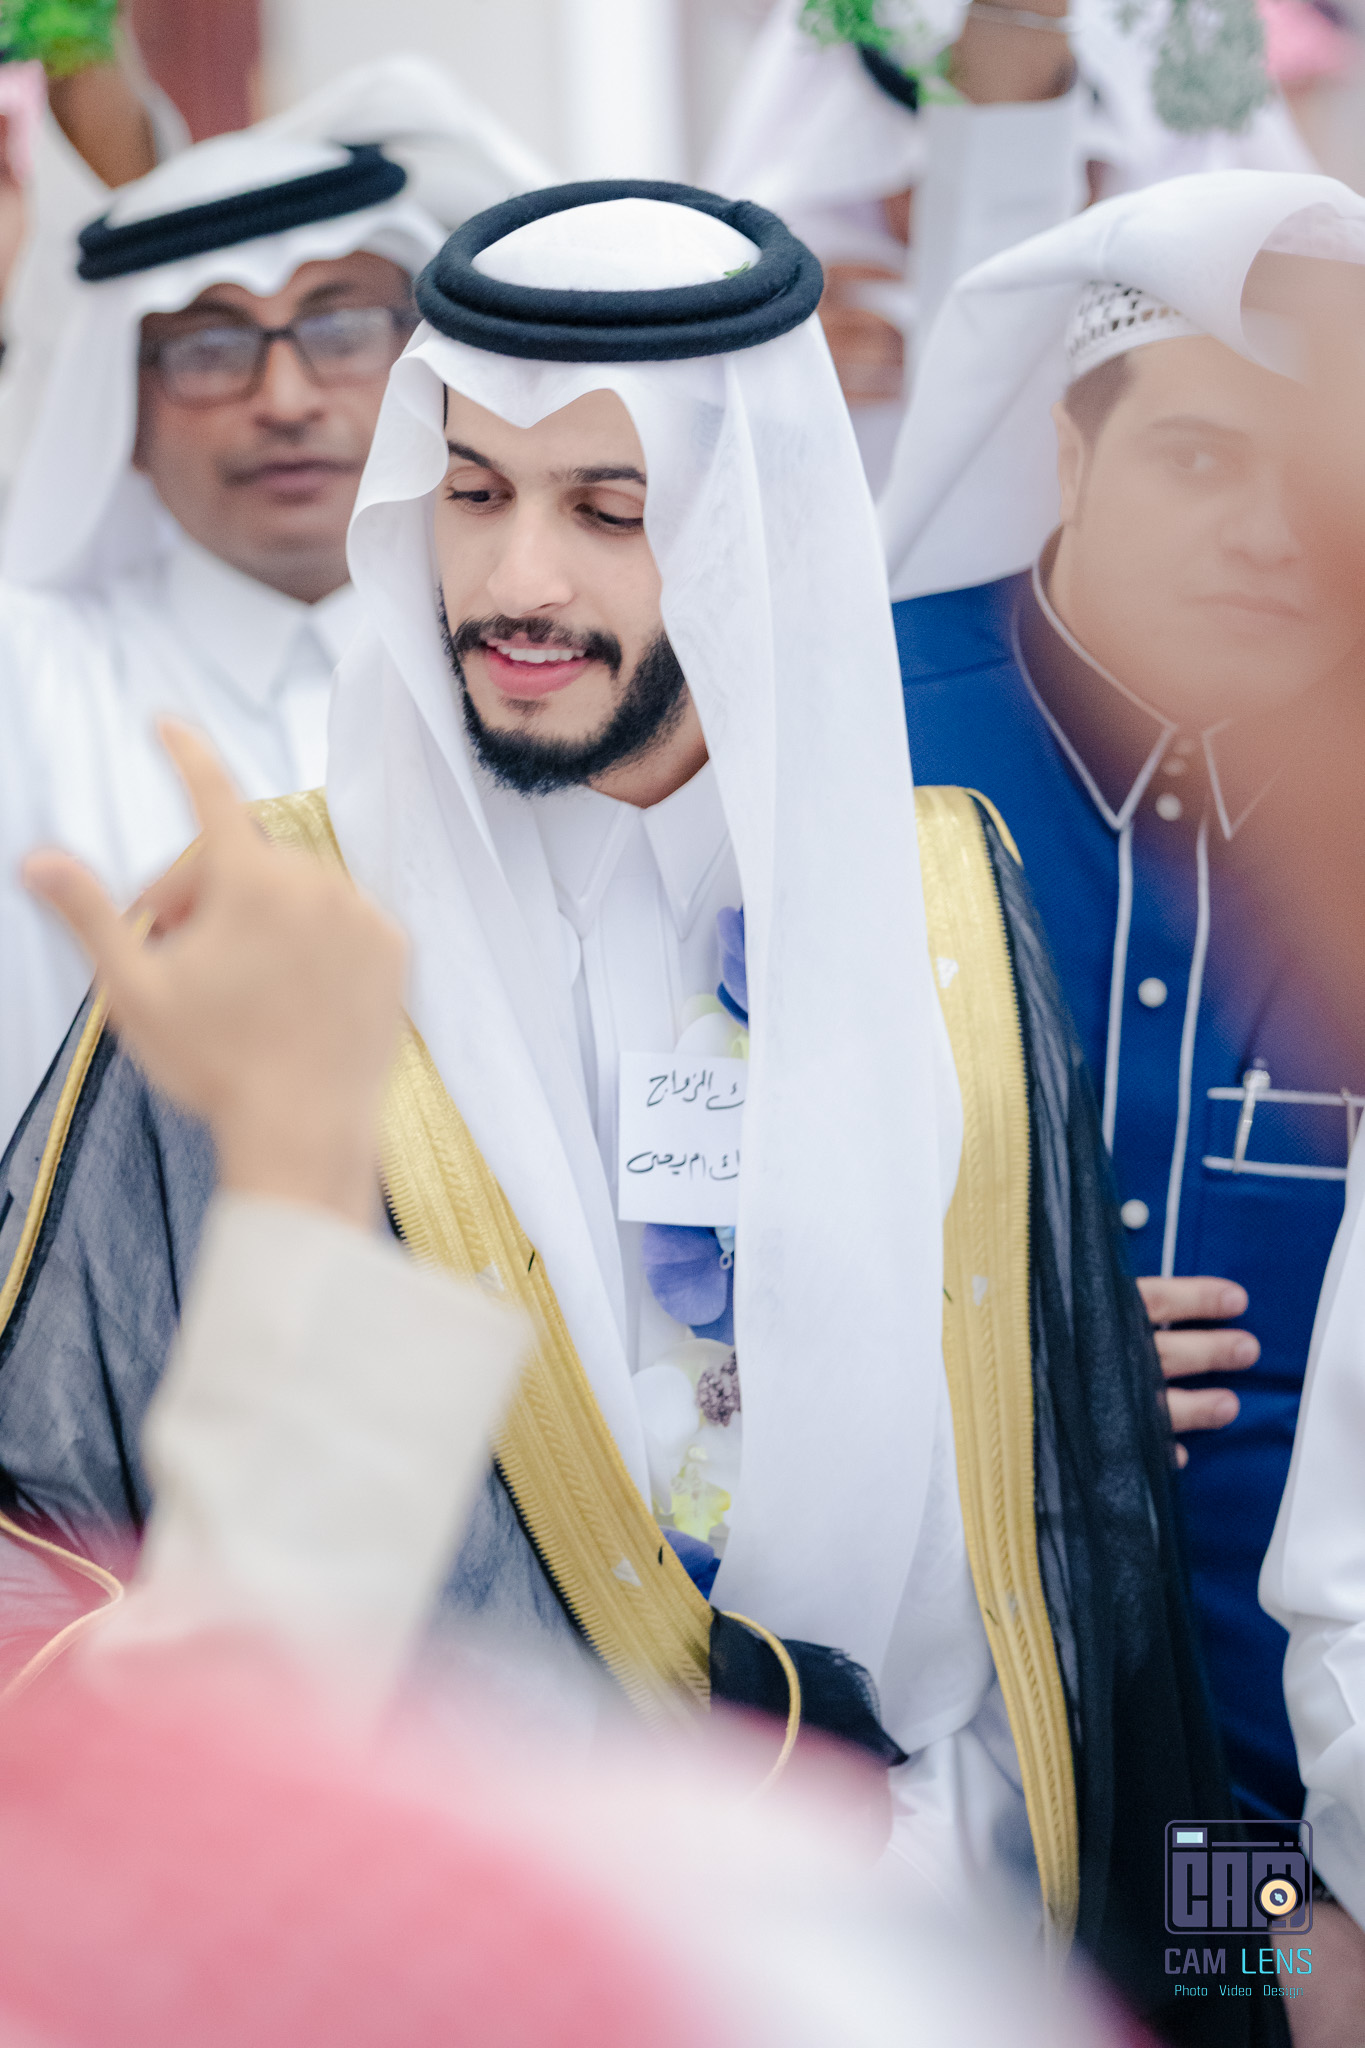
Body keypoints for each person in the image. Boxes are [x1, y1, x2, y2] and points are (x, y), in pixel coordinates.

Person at [0, 180, 1268, 2043]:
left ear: (752, 531)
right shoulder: (280, 928)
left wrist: (1250, 1950)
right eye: (474, 493)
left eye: (612, 511)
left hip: (948, 1943)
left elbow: (1094, 1561)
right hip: (465, 1970)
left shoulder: (944, 901)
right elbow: (48, 1557)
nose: (517, 582)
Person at [881, 169, 1365, 1842]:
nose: (1273, 534)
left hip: (1277, 1815)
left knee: (1245, 1967)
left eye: (1324, 476)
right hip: (887, 1790)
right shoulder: (843, 741)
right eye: (1200, 459)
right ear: (1067, 458)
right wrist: (962, 1361)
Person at [0, 59, 551, 1144]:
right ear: (125, 405)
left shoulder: (548, 654)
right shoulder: (31, 680)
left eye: (338, 329)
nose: (285, 398)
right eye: (209, 348)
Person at [708, 0, 1316, 489]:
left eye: (1046, 163)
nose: (947, 214)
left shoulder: (1259, 345)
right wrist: (743, 380)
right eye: (913, 173)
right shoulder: (772, 307)